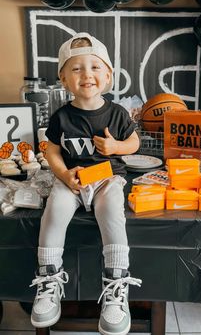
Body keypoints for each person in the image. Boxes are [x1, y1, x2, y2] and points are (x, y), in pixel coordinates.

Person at [30, 32, 142, 335]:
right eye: (76, 69)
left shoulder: (116, 113)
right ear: (64, 79)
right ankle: (49, 278)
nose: (86, 74)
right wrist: (63, 174)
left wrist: (116, 148)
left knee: (111, 209)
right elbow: (51, 149)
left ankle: (116, 282)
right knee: (55, 209)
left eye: (94, 67)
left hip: (107, 179)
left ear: (108, 75)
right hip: (73, 180)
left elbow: (134, 142)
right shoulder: (62, 116)